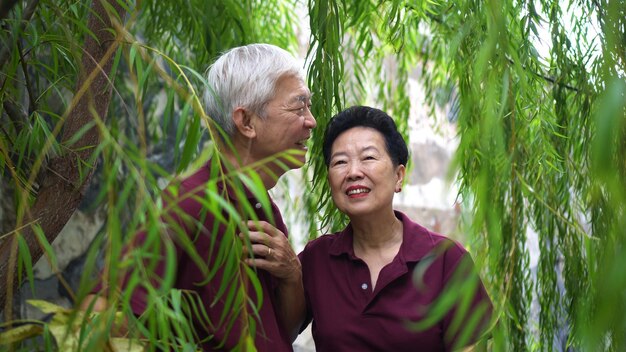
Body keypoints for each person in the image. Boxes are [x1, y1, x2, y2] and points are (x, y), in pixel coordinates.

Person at [82, 43, 316, 351]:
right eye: (298, 107)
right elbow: (98, 311)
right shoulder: (190, 204)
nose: (311, 121)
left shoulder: (263, 209)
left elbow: (279, 331)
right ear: (246, 122)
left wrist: (292, 275)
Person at [298, 106, 492, 351]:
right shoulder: (317, 259)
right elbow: (273, 328)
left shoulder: (446, 260)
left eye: (368, 157)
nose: (353, 172)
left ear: (399, 176)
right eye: (340, 162)